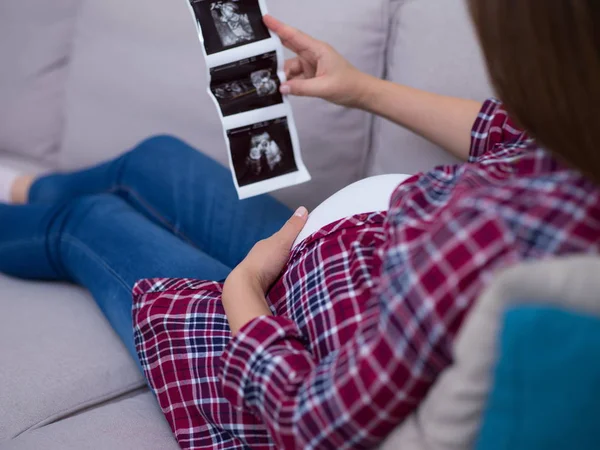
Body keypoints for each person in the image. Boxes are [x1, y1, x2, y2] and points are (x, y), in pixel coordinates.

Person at [1, 1, 600, 448]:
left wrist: (244, 293)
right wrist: (361, 90)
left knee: (90, 221)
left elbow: (309, 421)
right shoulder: (579, 144)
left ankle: (28, 211)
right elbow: (506, 132)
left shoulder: (497, 240)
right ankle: (23, 185)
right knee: (158, 157)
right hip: (325, 249)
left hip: (276, 324)